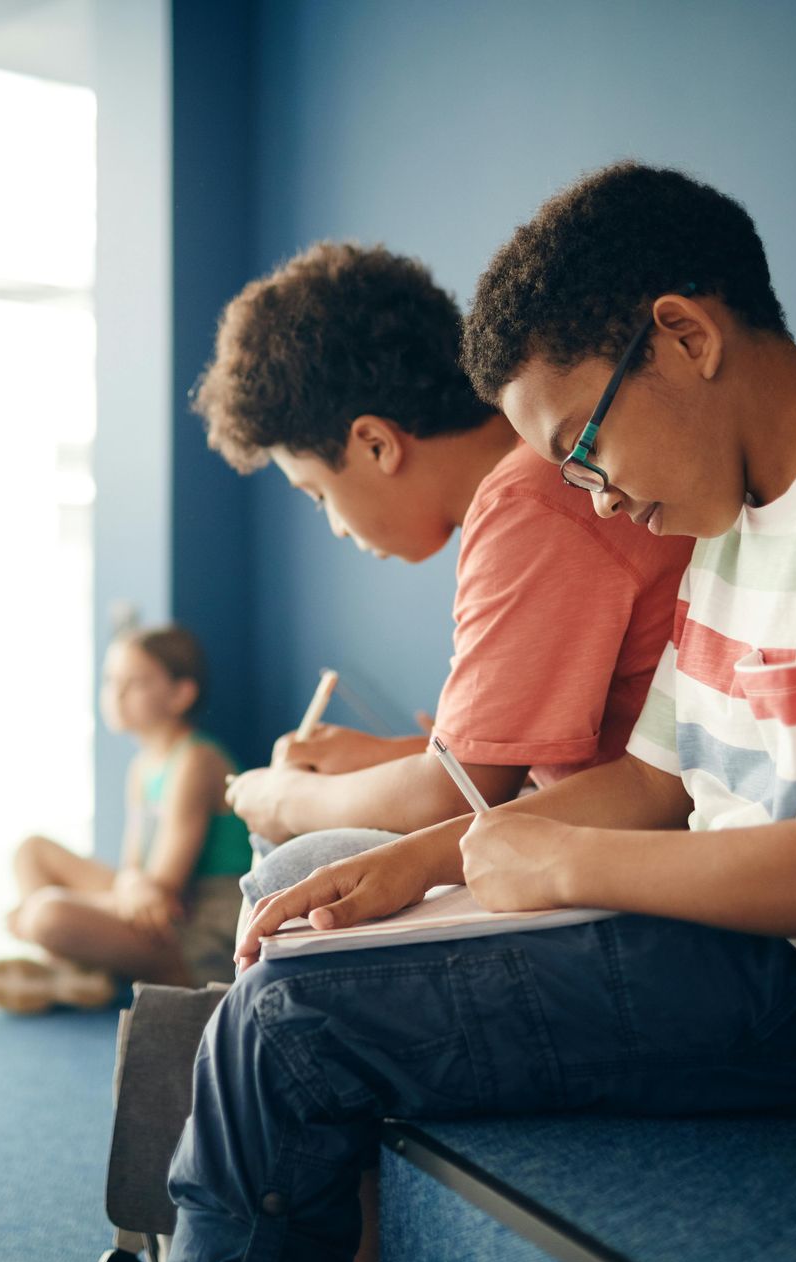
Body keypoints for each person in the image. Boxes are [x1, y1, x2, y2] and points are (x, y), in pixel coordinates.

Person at [167, 164, 796, 1262]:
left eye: (585, 446)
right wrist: (423, 859)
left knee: (287, 1023)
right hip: (754, 943)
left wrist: (566, 864)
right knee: (310, 933)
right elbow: (657, 777)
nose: (597, 495)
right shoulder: (734, 531)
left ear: (685, 338)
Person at [197, 242, 692, 909]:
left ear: (376, 443)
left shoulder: (529, 501)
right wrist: (390, 758)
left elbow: (457, 793)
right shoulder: (530, 482)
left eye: (318, 496)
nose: (335, 527)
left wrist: (287, 797)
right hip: (611, 825)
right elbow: (500, 766)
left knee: (293, 859)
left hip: (642, 865)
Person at [0, 625, 252, 1013]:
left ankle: (85, 967)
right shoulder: (142, 767)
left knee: (46, 913)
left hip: (198, 922)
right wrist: (129, 884)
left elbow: (163, 888)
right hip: (154, 902)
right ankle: (74, 972)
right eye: (110, 680)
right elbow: (132, 871)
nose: (116, 694)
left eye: (135, 683)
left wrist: (47, 906)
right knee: (32, 851)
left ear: (180, 694)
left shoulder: (196, 760)